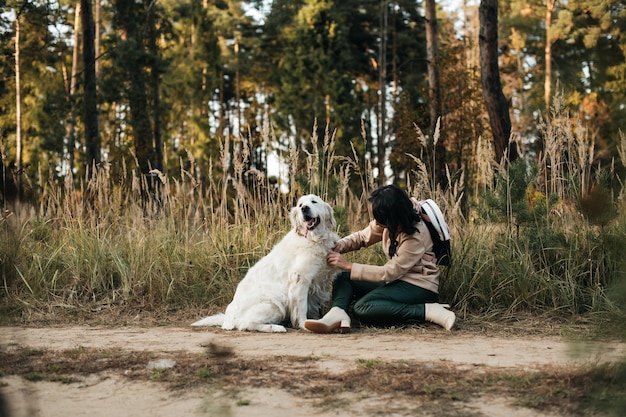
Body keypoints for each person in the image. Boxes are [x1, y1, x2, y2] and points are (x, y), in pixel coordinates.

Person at [304, 184, 455, 333]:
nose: (375, 223)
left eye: (379, 220)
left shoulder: (416, 236)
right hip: (396, 281)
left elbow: (389, 272)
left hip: (418, 286)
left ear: (391, 220)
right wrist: (340, 245)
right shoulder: (394, 217)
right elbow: (364, 236)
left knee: (363, 307)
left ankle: (426, 310)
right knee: (343, 277)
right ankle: (338, 312)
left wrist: (348, 265)